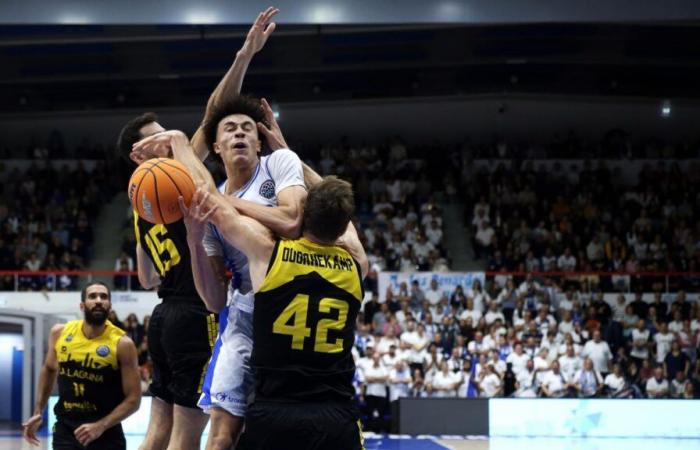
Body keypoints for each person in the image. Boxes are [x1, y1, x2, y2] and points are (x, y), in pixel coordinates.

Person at [116, 9, 280, 450]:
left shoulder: (140, 203)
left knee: (157, 430)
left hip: (163, 315)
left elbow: (147, 279)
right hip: (195, 311)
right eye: (161, 136)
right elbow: (212, 116)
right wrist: (244, 56)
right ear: (141, 153)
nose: (173, 138)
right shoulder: (177, 181)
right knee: (189, 436)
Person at [183, 176, 368, 449]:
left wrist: (178, 142)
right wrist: (293, 158)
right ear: (342, 227)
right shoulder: (357, 264)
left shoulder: (269, 253)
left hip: (274, 412)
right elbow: (345, 219)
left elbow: (213, 203)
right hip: (335, 414)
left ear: (302, 214)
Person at [22, 282, 141, 449]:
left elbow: (134, 399)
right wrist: (38, 410)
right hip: (65, 430)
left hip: (106, 434)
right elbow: (49, 369)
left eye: (104, 297)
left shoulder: (123, 344)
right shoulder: (60, 333)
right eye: (92, 296)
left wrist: (101, 425)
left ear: (110, 306)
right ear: (82, 305)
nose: (98, 300)